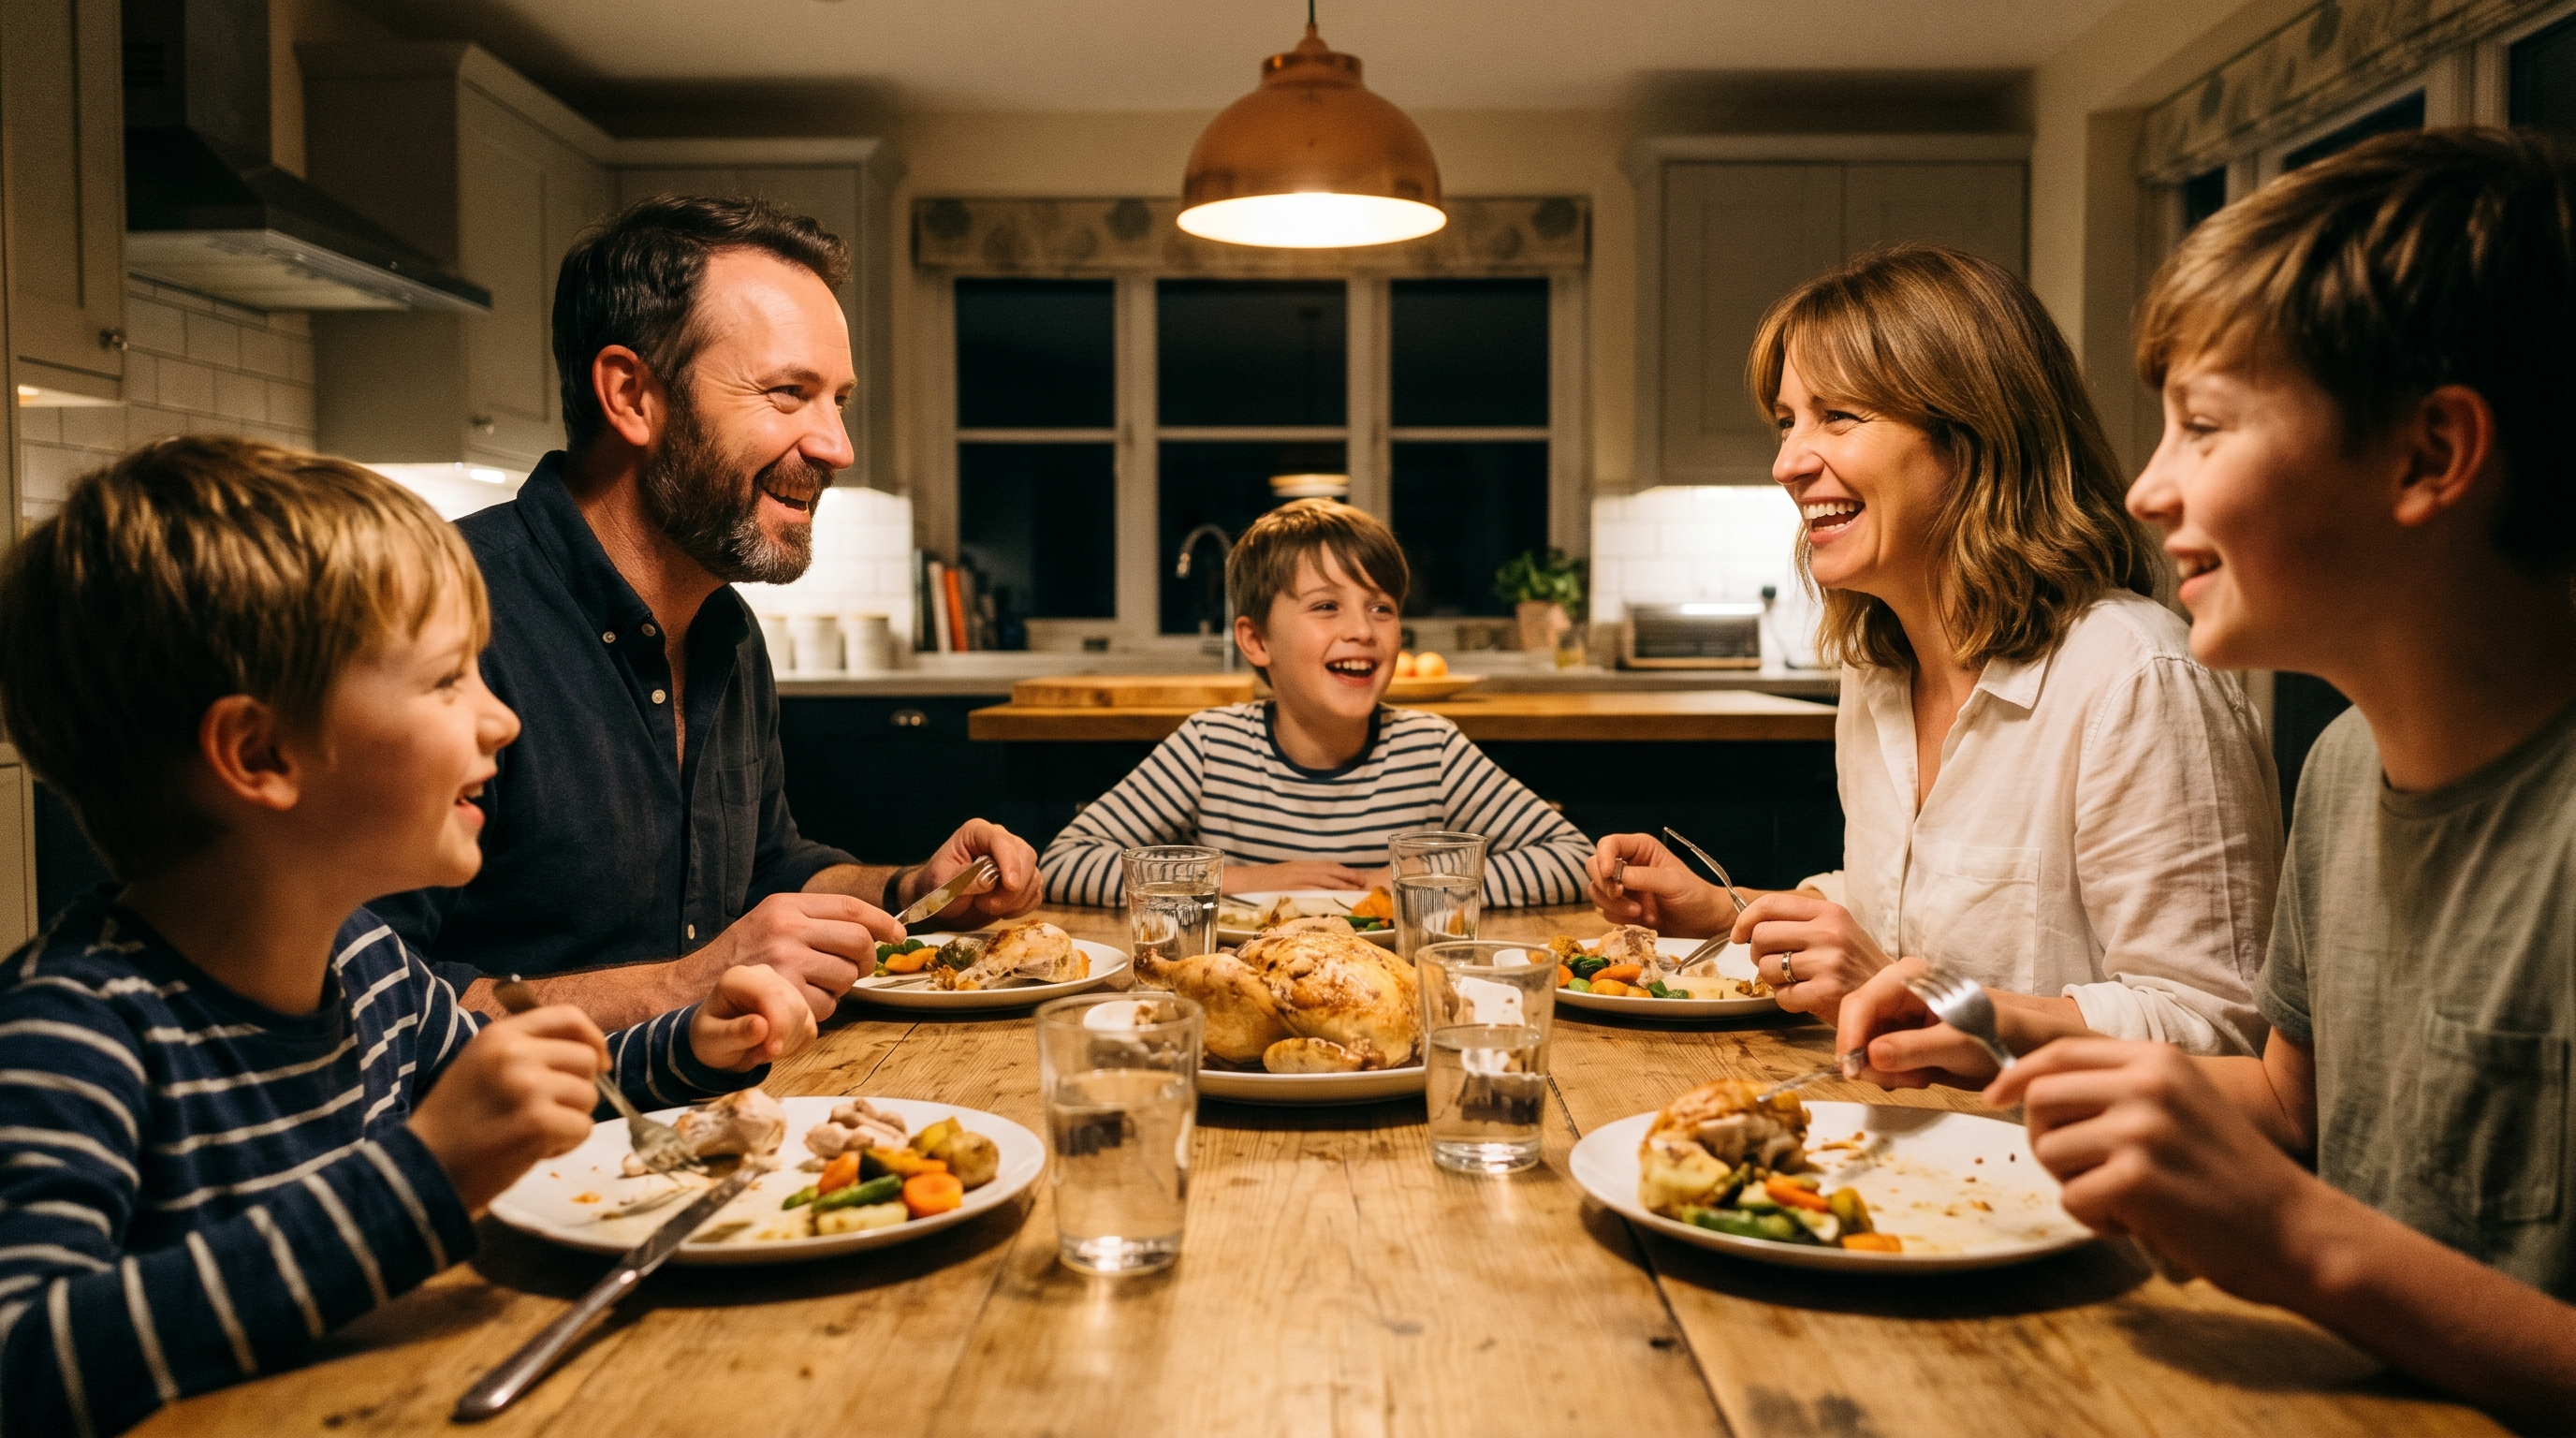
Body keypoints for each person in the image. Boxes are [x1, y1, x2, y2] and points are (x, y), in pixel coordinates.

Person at [1831, 128, 2576, 1424]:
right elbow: (2290, 1098)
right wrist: (1987, 1021)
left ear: (2430, 456)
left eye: (2206, 428)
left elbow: (2289, 1185)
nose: (2148, 488)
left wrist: (2299, 1242)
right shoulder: (2350, 766)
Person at [0, 438, 819, 1438]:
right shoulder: (75, 1036)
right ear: (260, 753)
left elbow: (521, 1087)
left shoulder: (368, 967)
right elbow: (25, 1360)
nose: (501, 722)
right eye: (446, 684)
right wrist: (423, 1178)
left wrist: (687, 1047)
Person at [370, 194, 1040, 1030]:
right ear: (631, 395)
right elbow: (368, 994)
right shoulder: (432, 617)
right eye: (790, 393)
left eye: (840, 400)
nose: (838, 445)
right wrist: (688, 984)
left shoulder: (722, 624)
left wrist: (913, 890)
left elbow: (763, 867)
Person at [1589, 244, 2279, 1055]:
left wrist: (1926, 1000)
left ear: (1975, 433)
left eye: (1838, 415)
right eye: (1786, 421)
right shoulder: (1878, 671)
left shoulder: (2135, 677)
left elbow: (2218, 1033)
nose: (1787, 463)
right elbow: (1904, 914)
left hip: (2054, 1171)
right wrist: (1729, 911)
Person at [1040, 499, 1593, 906]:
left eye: (1381, 608)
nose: (1362, 630)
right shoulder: (1211, 747)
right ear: (1257, 641)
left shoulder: (1430, 749)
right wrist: (1238, 881)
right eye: (1326, 606)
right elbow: (1066, 863)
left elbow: (1572, 858)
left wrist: (1407, 879)